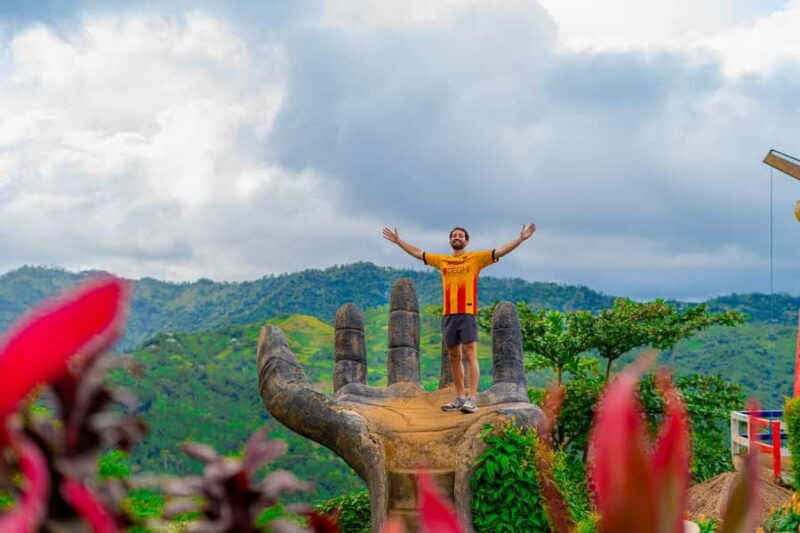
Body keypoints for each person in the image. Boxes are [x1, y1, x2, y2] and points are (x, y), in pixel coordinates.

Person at [382, 224, 536, 413]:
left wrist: (520, 239)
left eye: (461, 235)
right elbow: (418, 252)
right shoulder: (443, 260)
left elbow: (501, 250)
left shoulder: (476, 258)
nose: (457, 237)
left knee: (470, 353)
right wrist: (398, 241)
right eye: (454, 235)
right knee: (454, 356)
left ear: (466, 241)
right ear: (450, 240)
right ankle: (459, 396)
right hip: (448, 314)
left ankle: (472, 398)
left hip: (467, 312)